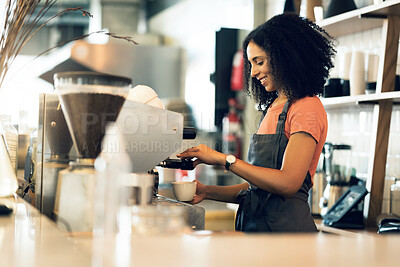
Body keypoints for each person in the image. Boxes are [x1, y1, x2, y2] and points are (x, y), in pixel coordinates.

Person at [177, 13, 336, 232]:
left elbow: (287, 183)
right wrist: (207, 191)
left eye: (259, 62)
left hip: (288, 237)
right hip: (257, 233)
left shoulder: (306, 107)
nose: (253, 73)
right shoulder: (273, 108)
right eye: (250, 64)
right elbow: (258, 190)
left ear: (284, 57)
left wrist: (225, 160)